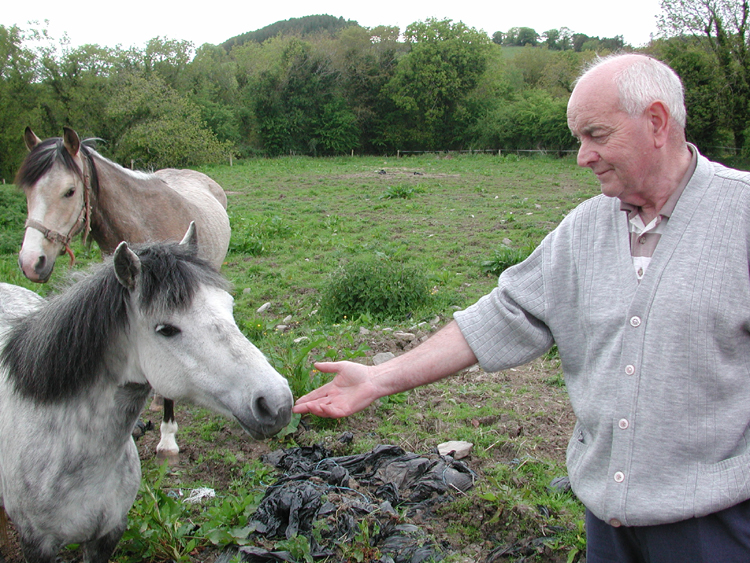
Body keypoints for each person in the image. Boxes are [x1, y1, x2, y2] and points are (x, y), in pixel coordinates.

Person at [293, 53, 750, 562]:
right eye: (579, 139)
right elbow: (502, 315)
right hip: (607, 524)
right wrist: (382, 377)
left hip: (717, 528)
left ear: (657, 122)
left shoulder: (742, 216)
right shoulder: (583, 229)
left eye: (596, 135)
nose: (583, 156)